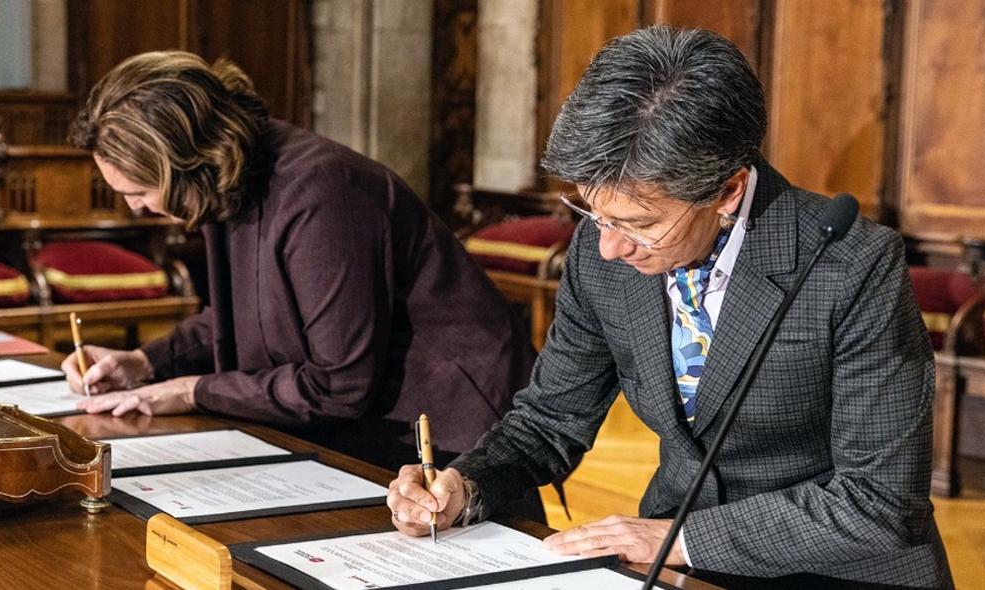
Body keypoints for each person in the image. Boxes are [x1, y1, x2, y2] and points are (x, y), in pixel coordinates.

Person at [386, 26, 954, 589]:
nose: (610, 245)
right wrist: (465, 484)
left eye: (639, 224)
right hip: (669, 566)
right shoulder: (600, 247)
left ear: (727, 191)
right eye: (593, 214)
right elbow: (551, 420)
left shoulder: (852, 264)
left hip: (835, 573)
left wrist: (681, 539)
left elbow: (880, 499)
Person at [61, 51, 537, 473]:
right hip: (360, 425)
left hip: (442, 435)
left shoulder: (321, 195)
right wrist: (144, 363)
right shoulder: (230, 179)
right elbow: (246, 318)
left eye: (140, 192)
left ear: (187, 161)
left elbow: (339, 385)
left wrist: (190, 391)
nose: (136, 209)